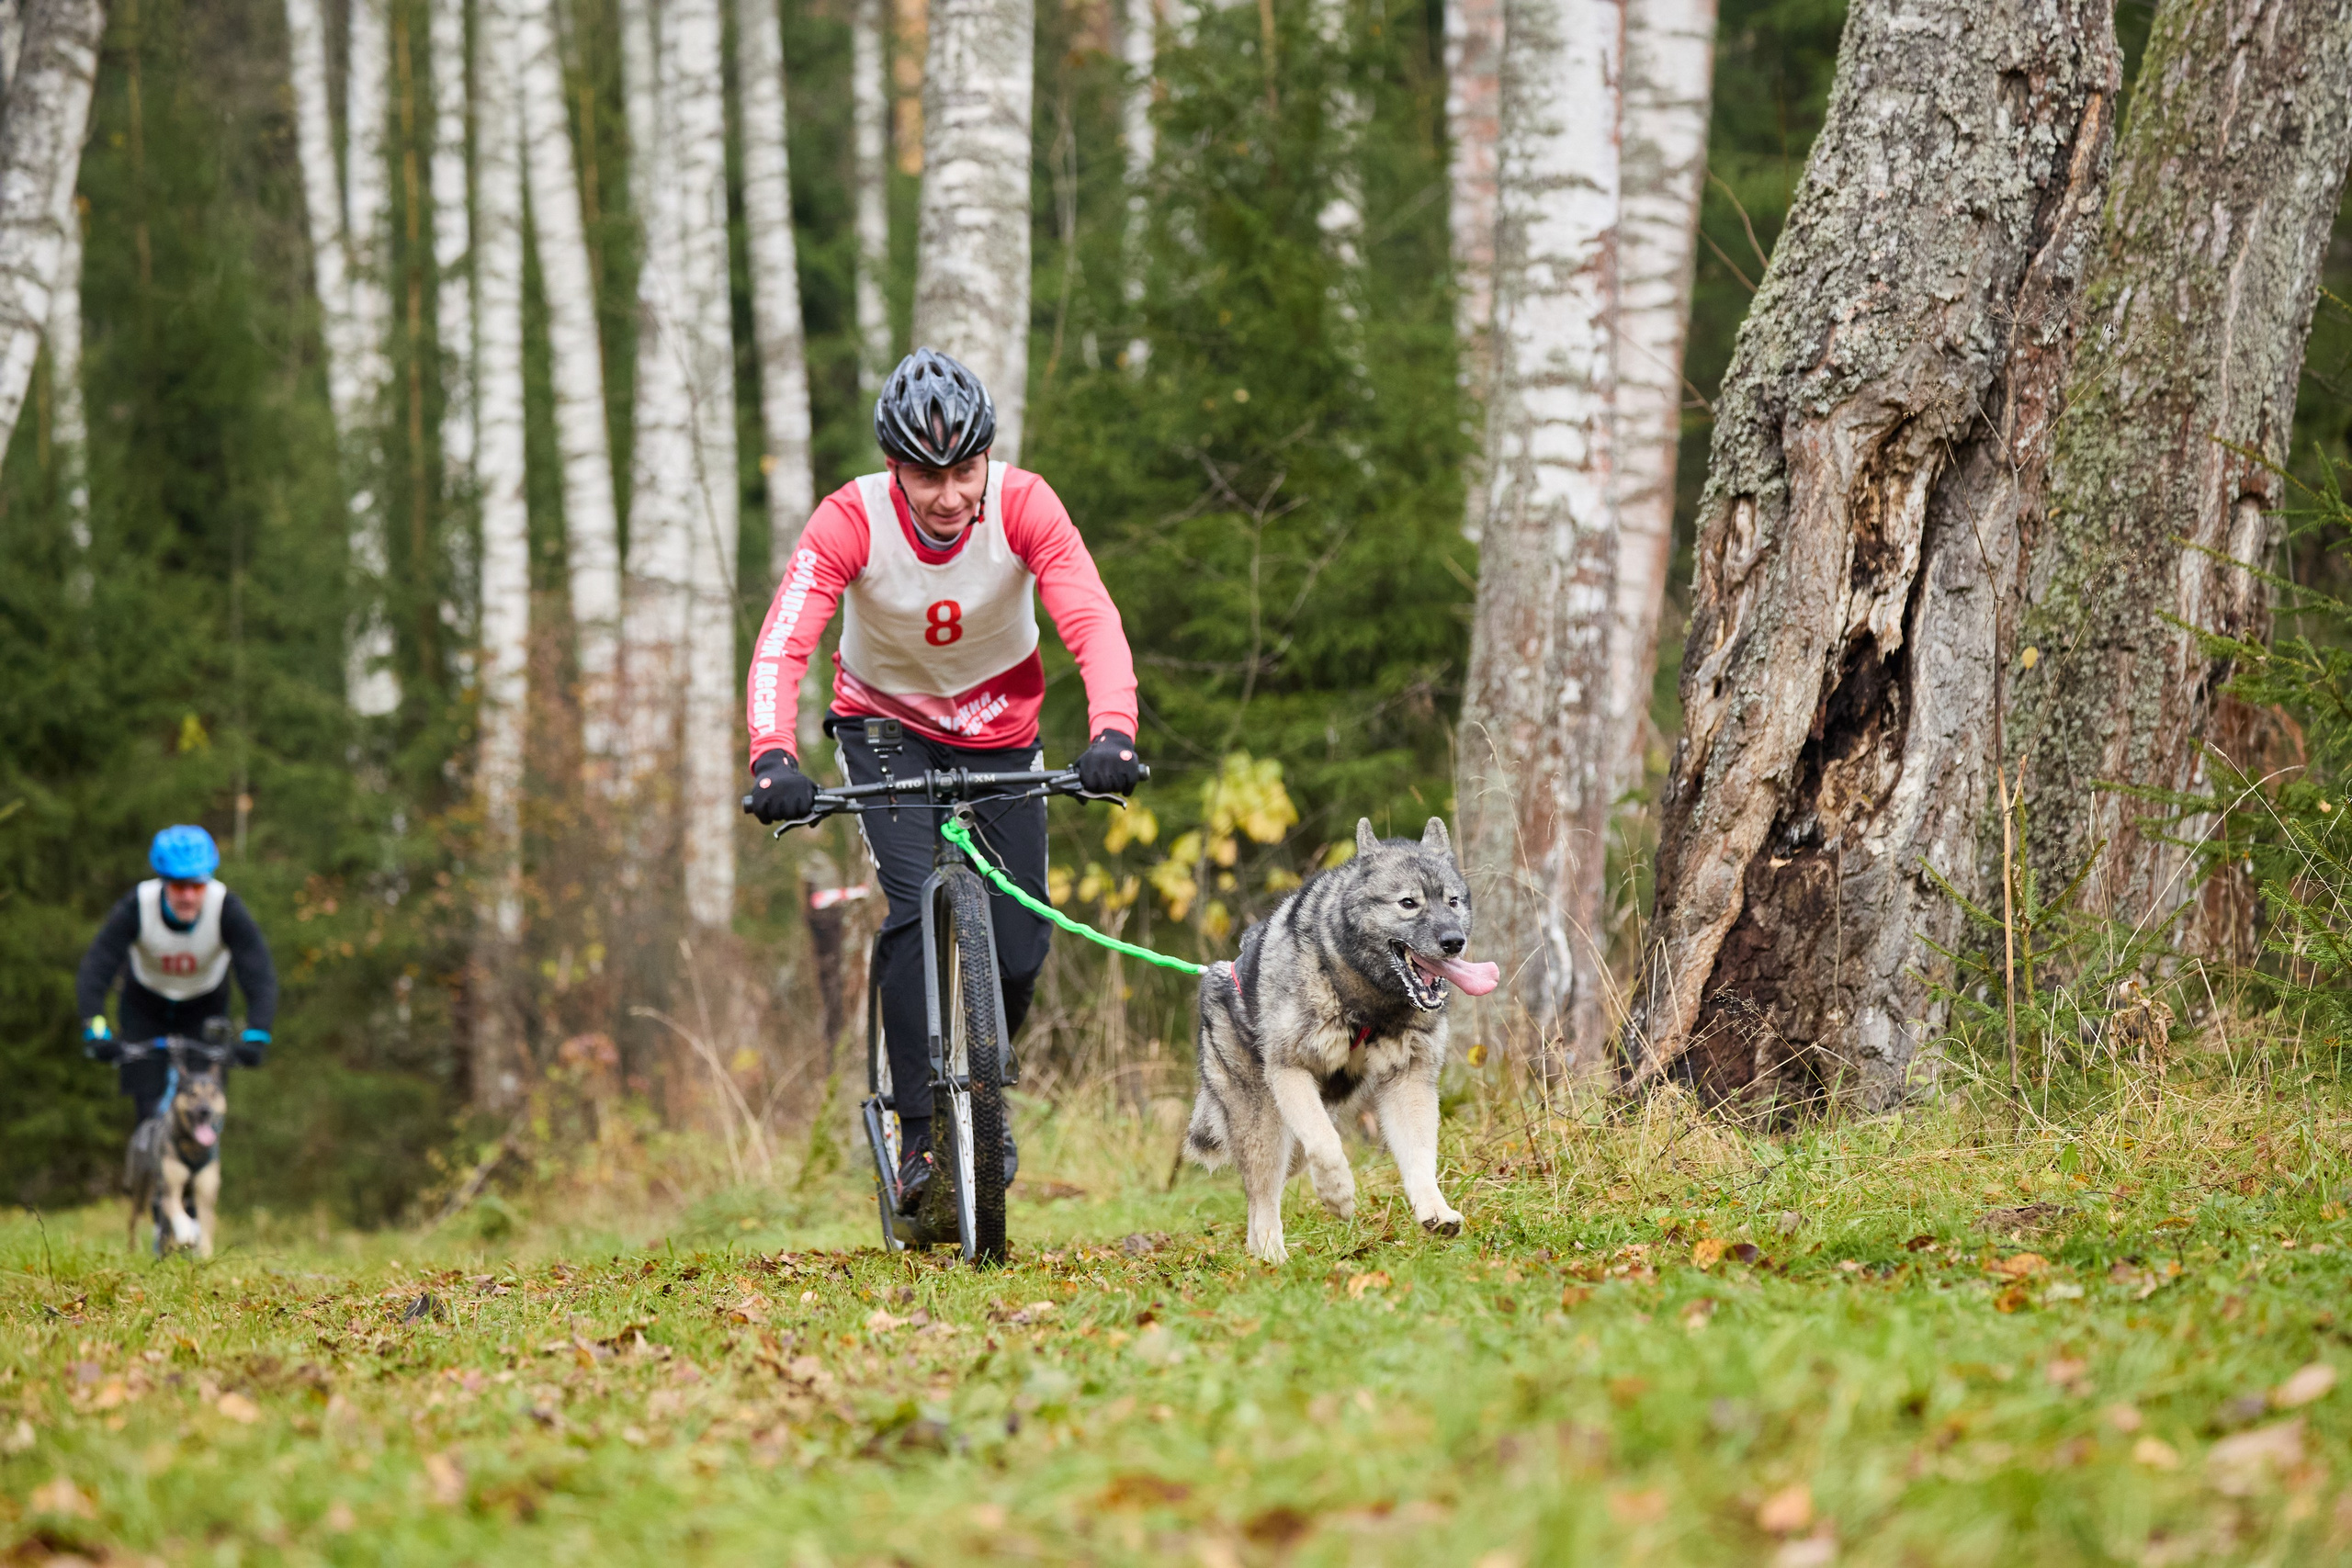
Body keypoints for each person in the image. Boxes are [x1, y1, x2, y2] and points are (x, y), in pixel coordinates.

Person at [743, 348, 1143, 1215]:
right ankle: (922, 1129)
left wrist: (1114, 730)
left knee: (1024, 947)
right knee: (914, 898)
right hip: (883, 728)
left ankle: (984, 1089)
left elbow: (1090, 617)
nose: (952, 494)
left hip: (1003, 732)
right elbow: (786, 639)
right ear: (896, 469)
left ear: (986, 459)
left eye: (967, 469)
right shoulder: (847, 520)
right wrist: (773, 753)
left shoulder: (1027, 504)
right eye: (930, 475)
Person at [76, 825, 277, 1119]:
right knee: (148, 1107)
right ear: (163, 883)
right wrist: (95, 1029)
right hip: (144, 1006)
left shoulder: (226, 909)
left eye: (196, 886)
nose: (188, 896)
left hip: (204, 1007)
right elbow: (97, 967)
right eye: (178, 886)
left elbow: (258, 974)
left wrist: (258, 1034)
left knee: (203, 1106)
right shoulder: (137, 905)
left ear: (208, 882)